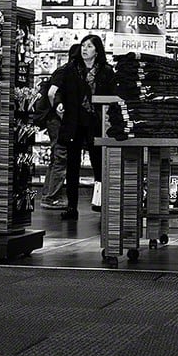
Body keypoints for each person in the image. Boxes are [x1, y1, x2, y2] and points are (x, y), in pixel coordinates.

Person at [47, 34, 114, 221]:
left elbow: (113, 96)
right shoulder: (71, 68)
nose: (85, 49)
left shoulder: (106, 71)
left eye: (90, 46)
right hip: (74, 121)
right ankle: (71, 206)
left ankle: (102, 203)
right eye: (83, 45)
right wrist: (59, 104)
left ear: (97, 50)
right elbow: (58, 91)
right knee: (72, 166)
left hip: (96, 123)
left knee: (99, 164)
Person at [39, 44, 80, 210]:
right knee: (62, 156)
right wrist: (59, 110)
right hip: (57, 121)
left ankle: (48, 194)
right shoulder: (65, 71)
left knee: (57, 157)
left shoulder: (66, 70)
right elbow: (51, 93)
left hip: (54, 120)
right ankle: (52, 197)